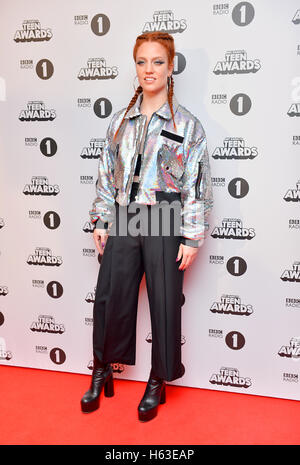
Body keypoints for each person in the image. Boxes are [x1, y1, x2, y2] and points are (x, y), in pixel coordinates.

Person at [81, 31, 213, 422]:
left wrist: (192, 235)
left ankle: (158, 379)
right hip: (125, 214)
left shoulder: (188, 125)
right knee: (109, 297)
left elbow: (196, 183)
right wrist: (102, 217)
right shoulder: (120, 121)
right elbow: (107, 174)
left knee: (165, 303)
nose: (149, 70)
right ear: (134, 66)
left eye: (158, 62)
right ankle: (102, 368)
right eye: (142, 62)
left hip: (165, 217)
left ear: (171, 68)